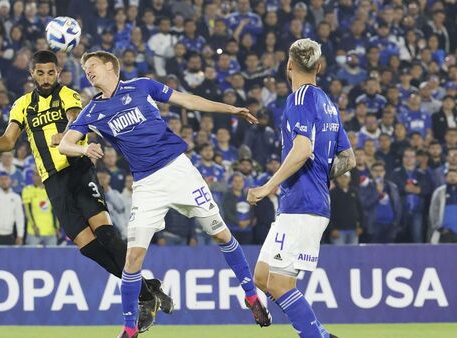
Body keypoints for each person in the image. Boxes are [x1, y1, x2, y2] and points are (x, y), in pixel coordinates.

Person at [59, 50, 270, 338]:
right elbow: (65, 144)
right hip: (146, 185)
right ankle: (130, 328)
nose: (88, 72)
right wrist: (84, 148)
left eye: (92, 66)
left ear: (110, 66)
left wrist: (229, 109)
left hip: (178, 171)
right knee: (132, 258)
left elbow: (188, 100)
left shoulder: (142, 86)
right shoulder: (92, 111)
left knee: (220, 233)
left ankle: (250, 295)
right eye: (85, 69)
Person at [0, 50, 171, 332]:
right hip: (53, 181)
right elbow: (9, 138)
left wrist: (64, 135)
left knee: (106, 233)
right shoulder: (21, 105)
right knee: (87, 247)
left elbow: (77, 121)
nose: (45, 78)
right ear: (32, 74)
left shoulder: (67, 95)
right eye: (40, 73)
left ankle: (143, 293)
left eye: (50, 72)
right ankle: (147, 288)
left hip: (78, 169)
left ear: (58, 72)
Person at [247, 39, 353, 338]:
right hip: (305, 203)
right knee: (263, 277)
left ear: (289, 65)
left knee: (280, 285)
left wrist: (267, 186)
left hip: (301, 204)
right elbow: (348, 158)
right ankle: (319, 333)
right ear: (319, 67)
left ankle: (315, 336)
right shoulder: (327, 104)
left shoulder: (299, 99)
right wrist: (321, 173)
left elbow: (302, 149)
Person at [0, 171, 25, 245]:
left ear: (10, 181)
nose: (4, 181)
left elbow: (19, 217)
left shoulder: (16, 197)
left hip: (9, 234)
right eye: (1, 179)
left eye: (6, 179)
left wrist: (20, 235)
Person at [22, 168, 58, 246]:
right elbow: (27, 210)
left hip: (50, 231)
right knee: (31, 257)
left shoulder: (51, 190)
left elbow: (55, 210)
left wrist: (57, 226)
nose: (36, 177)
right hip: (34, 232)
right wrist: (34, 226)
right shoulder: (27, 190)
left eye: (38, 175)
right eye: (34, 175)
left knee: (52, 257)